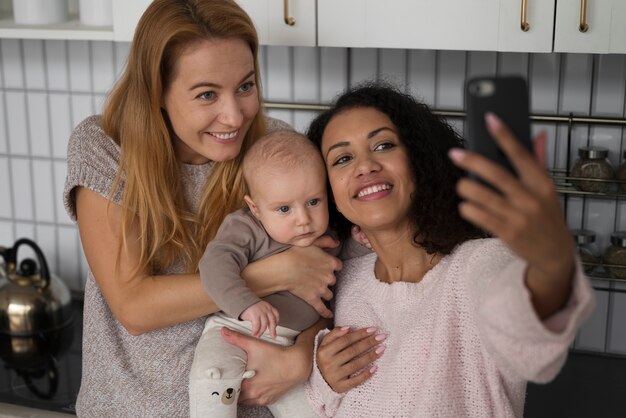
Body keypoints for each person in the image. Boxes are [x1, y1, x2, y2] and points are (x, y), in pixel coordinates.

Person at [62, 1, 345, 416]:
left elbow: (324, 283)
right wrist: (275, 273)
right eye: (207, 94)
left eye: (246, 86)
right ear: (156, 89)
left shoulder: (272, 156)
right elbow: (135, 307)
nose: (234, 116)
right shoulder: (107, 149)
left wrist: (301, 356)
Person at [302, 82, 596, 417]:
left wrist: (548, 266)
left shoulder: (478, 264)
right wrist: (323, 377)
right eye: (342, 158)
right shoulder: (345, 281)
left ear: (419, 160)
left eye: (383, 145)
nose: (365, 166)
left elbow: (529, 333)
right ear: (327, 190)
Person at [190, 130, 369, 417]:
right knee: (213, 380)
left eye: (313, 202)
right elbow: (213, 266)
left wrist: (361, 245)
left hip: (291, 344)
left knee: (311, 410)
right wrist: (246, 304)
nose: (303, 220)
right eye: (284, 208)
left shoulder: (328, 235)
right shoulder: (246, 227)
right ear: (255, 208)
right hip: (234, 330)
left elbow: (344, 266)